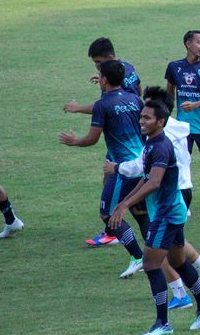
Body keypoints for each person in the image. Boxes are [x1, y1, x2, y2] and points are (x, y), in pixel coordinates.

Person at [109, 96, 200, 335]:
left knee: (150, 264)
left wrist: (125, 204)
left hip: (166, 214)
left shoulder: (159, 146)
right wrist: (124, 203)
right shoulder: (150, 142)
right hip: (172, 210)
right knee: (178, 261)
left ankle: (162, 323)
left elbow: (155, 181)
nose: (141, 121)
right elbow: (147, 178)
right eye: (141, 116)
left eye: (147, 117)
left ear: (161, 121)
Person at [59, 60, 147, 279]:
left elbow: (91, 139)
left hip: (123, 169)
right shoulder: (135, 98)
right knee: (139, 211)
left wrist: (74, 141)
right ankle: (156, 255)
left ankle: (138, 257)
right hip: (144, 163)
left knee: (108, 214)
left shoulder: (102, 105)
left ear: (104, 79)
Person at [64, 37, 141, 247]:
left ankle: (120, 238)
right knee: (111, 179)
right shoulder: (127, 70)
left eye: (98, 64)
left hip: (121, 141)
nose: (97, 68)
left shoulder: (112, 93)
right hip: (134, 140)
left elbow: (105, 107)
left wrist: (77, 108)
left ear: (108, 59)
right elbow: (137, 93)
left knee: (110, 207)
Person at [165, 30, 200, 172]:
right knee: (182, 165)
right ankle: (184, 195)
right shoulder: (174, 67)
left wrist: (194, 104)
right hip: (183, 128)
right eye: (199, 42)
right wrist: (166, 115)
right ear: (188, 44)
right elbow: (169, 93)